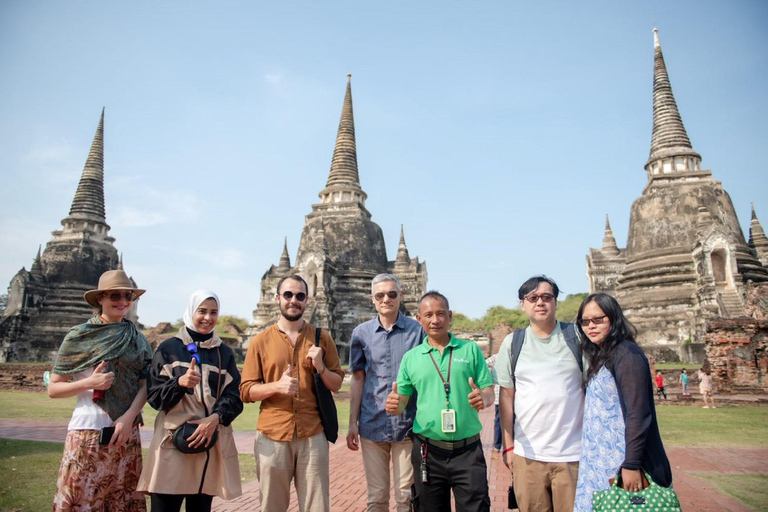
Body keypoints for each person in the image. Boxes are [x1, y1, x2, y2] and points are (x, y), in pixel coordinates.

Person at [47, 269, 152, 511]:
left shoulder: (136, 337)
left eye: (128, 296)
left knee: (120, 501)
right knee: (82, 499)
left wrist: (127, 418)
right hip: (87, 430)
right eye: (115, 296)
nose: (123, 302)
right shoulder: (79, 336)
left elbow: (146, 383)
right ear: (100, 299)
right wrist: (88, 383)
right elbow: (54, 388)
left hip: (126, 432)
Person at [240, 275, 345, 512]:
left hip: (313, 434)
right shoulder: (260, 341)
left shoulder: (322, 338)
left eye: (299, 296)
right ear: (277, 298)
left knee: (317, 506)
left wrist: (321, 367)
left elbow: (337, 383)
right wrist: (276, 387)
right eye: (288, 295)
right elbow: (246, 390)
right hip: (273, 433)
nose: (293, 300)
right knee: (272, 505)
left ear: (307, 300)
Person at [386, 291, 494, 512]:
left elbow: (488, 390)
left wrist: (484, 397)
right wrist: (394, 405)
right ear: (419, 319)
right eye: (428, 315)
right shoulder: (411, 358)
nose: (435, 320)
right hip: (428, 452)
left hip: (468, 451)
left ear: (450, 316)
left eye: (440, 314)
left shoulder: (470, 350)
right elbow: (402, 403)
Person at [138, 290, 243, 511]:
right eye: (202, 311)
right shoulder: (170, 349)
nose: (208, 318)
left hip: (208, 443)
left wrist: (215, 418)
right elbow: (155, 398)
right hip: (173, 443)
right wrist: (179, 383)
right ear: (191, 311)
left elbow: (234, 396)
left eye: (214, 312)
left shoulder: (224, 352)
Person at [573, 293, 672, 512]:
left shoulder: (626, 354)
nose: (591, 326)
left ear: (614, 319)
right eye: (585, 321)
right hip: (600, 461)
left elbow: (639, 413)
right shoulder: (604, 355)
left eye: (599, 319)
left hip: (620, 461)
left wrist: (631, 464)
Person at [496, 275, 583, 512]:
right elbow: (506, 397)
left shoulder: (577, 337)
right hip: (528, 455)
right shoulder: (514, 343)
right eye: (532, 298)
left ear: (555, 302)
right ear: (522, 305)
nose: (540, 302)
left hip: (572, 453)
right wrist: (508, 446)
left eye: (547, 297)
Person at [347, 274, 425, 512]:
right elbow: (358, 378)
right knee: (377, 497)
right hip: (373, 422)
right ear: (373, 299)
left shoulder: (417, 331)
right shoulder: (361, 333)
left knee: (405, 496)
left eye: (392, 294)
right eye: (380, 295)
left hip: (407, 424)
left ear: (401, 296)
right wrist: (352, 423)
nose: (386, 299)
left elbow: (425, 377)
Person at [484, 353, 503, 454]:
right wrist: (492, 376)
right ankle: (497, 445)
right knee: (499, 421)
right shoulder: (498, 357)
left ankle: (499, 445)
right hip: (500, 395)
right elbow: (484, 364)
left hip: (513, 395)